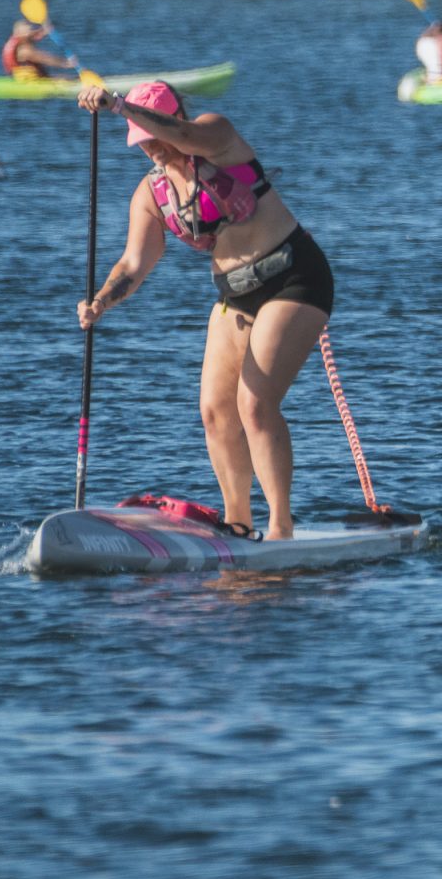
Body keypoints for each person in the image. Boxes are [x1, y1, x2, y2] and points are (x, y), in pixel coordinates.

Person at [73, 80, 336, 541]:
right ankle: (239, 524)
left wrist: (118, 105)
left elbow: (186, 137)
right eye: (141, 142)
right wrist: (101, 301)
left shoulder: (216, 136)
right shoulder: (152, 194)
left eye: (153, 136)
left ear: (174, 119)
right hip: (235, 296)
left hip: (294, 277)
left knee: (254, 404)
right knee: (215, 411)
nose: (151, 148)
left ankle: (281, 528)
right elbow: (133, 264)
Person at [1, 20, 76, 78]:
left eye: (30, 31)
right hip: (27, 81)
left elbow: (32, 35)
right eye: (28, 32)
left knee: (62, 77)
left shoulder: (21, 38)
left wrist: (45, 30)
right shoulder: (24, 51)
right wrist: (66, 63)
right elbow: (44, 58)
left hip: (30, 77)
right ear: (20, 35)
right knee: (64, 78)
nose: (31, 35)